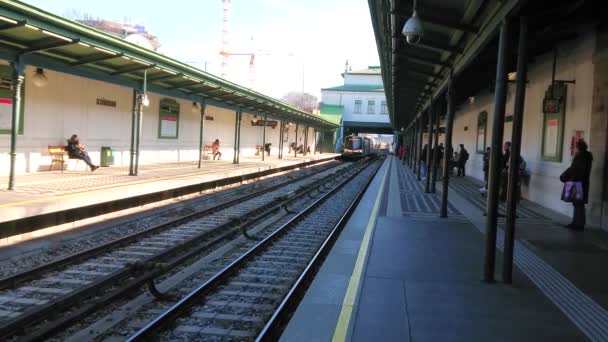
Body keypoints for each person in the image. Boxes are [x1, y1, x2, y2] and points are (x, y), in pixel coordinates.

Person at [560, 140, 593, 230]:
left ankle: (578, 224)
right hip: (580, 183)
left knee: (578, 204)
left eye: (575, 147)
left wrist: (564, 176)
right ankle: (576, 223)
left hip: (577, 183)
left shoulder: (581, 157)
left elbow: (574, 169)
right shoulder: (585, 156)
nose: (573, 149)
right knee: (577, 204)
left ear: (578, 148)